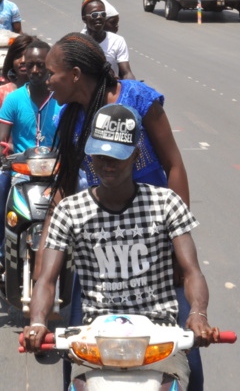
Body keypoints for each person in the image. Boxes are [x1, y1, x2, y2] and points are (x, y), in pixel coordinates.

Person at [42, 32, 202, 389]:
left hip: (155, 234)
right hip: (101, 238)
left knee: (185, 345)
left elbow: (174, 166)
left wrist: (177, 247)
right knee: (80, 352)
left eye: (51, 73)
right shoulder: (66, 119)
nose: (46, 81)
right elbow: (65, 188)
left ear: (76, 74)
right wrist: (49, 250)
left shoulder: (138, 100)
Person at [23, 104, 217, 390]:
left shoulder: (166, 203)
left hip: (159, 337)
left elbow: (191, 272)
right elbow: (47, 279)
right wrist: (38, 321)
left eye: (117, 156)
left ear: (136, 156)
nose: (108, 164)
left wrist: (197, 314)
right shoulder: (69, 210)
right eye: (100, 155)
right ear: (91, 155)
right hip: (95, 336)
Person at [0, 40, 60, 280]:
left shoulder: (62, 98)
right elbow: (1, 139)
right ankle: (1, 252)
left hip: (58, 170)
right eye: (29, 65)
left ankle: (85, 251)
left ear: (50, 67)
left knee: (85, 184)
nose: (34, 71)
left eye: (41, 66)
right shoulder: (13, 99)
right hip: (20, 170)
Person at [0, 33, 33, 133]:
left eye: (27, 56)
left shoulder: (51, 94)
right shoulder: (1, 92)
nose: (22, 60)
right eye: (18, 56)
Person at [80, 0, 134, 80]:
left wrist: (132, 86)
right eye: (94, 15)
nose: (99, 17)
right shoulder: (77, 42)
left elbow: (127, 73)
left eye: (103, 14)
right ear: (84, 19)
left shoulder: (118, 41)